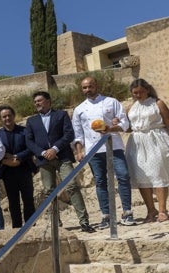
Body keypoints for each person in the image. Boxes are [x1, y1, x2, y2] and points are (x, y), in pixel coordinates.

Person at [25, 91, 96, 233]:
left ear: (48, 101)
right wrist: (43, 152)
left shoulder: (61, 115)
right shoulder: (31, 121)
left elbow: (69, 134)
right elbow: (29, 141)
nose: (37, 103)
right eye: (35, 102)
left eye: (40, 100)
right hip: (43, 160)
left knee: (72, 186)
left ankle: (84, 221)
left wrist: (55, 149)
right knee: (48, 191)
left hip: (62, 156)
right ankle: (55, 224)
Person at [72, 76, 135, 228]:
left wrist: (111, 128)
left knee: (123, 176)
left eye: (90, 86)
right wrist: (79, 152)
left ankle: (127, 212)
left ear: (96, 85)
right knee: (100, 181)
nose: (87, 90)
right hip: (94, 149)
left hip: (114, 145)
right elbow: (78, 133)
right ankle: (106, 215)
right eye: (84, 88)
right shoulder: (79, 109)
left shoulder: (111, 102)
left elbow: (125, 123)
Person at [125, 79, 169, 223]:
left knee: (158, 174)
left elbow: (168, 122)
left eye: (141, 92)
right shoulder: (131, 107)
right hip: (137, 143)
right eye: (135, 93)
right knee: (141, 177)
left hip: (156, 140)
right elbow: (130, 127)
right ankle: (151, 210)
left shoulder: (158, 103)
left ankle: (162, 210)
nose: (138, 95)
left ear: (148, 90)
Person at [0, 105, 37, 228]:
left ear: (14, 116)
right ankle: (17, 228)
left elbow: (31, 148)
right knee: (13, 202)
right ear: (0, 119)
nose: (7, 118)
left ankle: (31, 226)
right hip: (7, 172)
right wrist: (5, 159)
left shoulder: (24, 131)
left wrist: (17, 157)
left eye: (9, 115)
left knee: (28, 199)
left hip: (24, 169)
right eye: (4, 116)